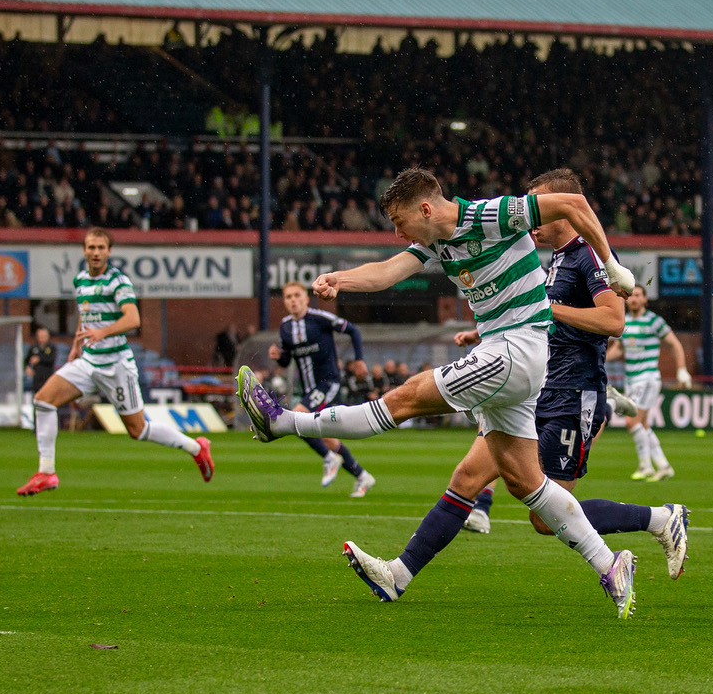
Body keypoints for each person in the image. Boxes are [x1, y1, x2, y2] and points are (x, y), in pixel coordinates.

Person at [236, 168, 643, 618]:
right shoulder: (435, 241)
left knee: (405, 398)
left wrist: (612, 265)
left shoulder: (491, 215)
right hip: (516, 356)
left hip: (515, 351)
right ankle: (609, 564)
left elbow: (574, 204)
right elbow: (388, 271)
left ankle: (282, 422)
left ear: (426, 209)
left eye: (400, 221)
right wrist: (341, 279)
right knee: (524, 482)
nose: (396, 232)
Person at [452, 168, 690, 581]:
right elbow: (545, 318)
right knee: (473, 476)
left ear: (563, 209)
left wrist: (547, 309)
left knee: (547, 516)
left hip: (575, 390)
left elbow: (614, 320)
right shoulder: (557, 258)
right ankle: (400, 571)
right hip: (544, 388)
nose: (532, 220)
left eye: (540, 210)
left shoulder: (588, 255)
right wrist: (493, 328)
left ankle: (660, 518)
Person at [17, 227, 214, 496]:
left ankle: (196, 447)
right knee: (43, 400)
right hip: (89, 361)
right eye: (91, 247)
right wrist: (77, 342)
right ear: (84, 250)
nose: (96, 252)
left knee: (138, 429)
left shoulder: (118, 282)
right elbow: (85, 314)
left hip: (116, 366)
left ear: (109, 252)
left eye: (101, 248)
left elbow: (133, 319)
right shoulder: (80, 281)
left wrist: (102, 332)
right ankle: (47, 473)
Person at [269, 281, 376, 496]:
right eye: (288, 296)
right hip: (309, 389)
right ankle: (362, 476)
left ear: (306, 299)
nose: (293, 300)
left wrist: (359, 360)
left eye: (297, 295)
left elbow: (353, 331)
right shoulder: (285, 326)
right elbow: (287, 359)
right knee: (325, 437)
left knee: (296, 417)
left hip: (329, 382)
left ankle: (329, 458)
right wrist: (279, 357)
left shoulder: (319, 319)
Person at [607, 286, 690, 481]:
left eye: (638, 296)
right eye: (632, 296)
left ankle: (646, 466)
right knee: (642, 425)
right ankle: (663, 465)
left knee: (631, 421)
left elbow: (675, 344)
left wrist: (681, 369)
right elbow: (619, 349)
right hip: (631, 379)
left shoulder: (654, 321)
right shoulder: (624, 321)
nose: (634, 299)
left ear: (645, 300)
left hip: (648, 378)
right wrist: (599, 359)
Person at [24, 327, 59, 394]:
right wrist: (27, 368)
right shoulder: (34, 347)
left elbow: (51, 359)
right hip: (36, 377)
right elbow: (27, 360)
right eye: (40, 336)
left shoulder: (51, 347)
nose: (42, 338)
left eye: (44, 336)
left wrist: (39, 359)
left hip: (47, 376)